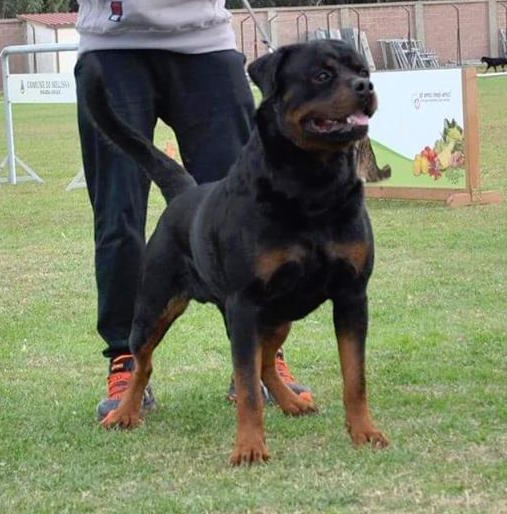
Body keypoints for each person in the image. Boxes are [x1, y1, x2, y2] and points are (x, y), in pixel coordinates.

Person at [74, 0, 313, 422]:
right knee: (118, 219)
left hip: (204, 42)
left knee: (248, 220)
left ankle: (259, 357)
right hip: (113, 44)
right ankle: (126, 362)